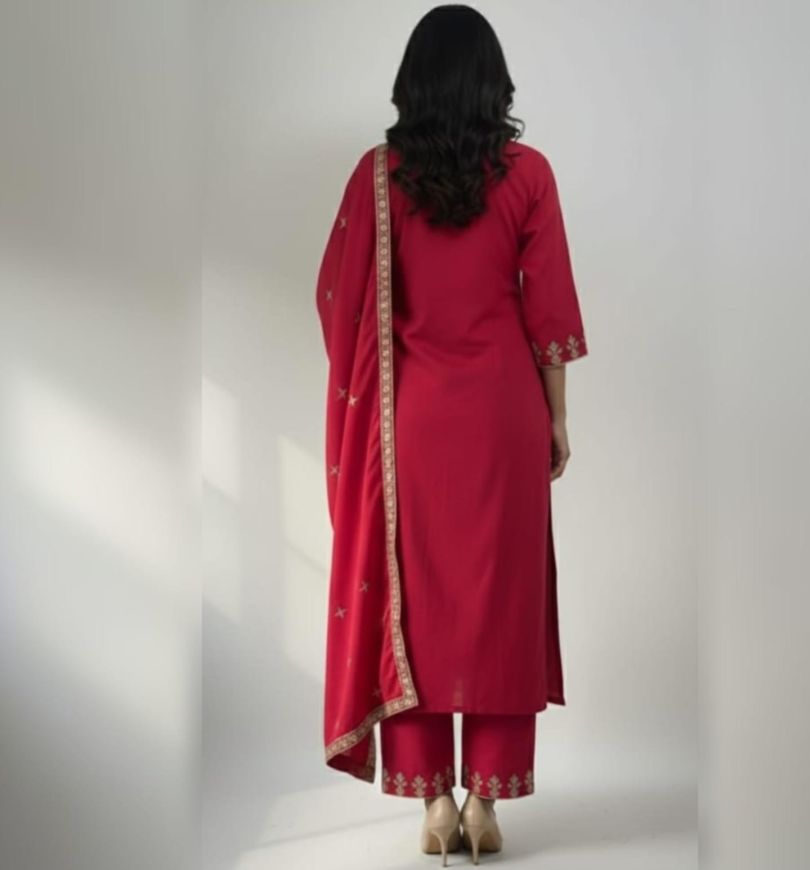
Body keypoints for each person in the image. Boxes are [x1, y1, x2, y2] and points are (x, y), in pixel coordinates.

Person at [315, 5, 588, 864]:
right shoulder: (530, 174)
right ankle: (486, 804)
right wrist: (557, 417)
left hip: (414, 421)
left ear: (414, 83)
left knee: (417, 606)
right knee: (503, 604)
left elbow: (338, 302)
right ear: (493, 82)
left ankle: (433, 802)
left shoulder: (378, 178)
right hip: (506, 417)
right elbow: (549, 314)